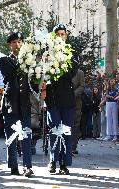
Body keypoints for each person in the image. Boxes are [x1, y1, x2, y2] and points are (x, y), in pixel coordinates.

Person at [0, 32, 34, 177]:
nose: (17, 45)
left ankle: (28, 166)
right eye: (14, 42)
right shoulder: (4, 60)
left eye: (20, 42)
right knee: (12, 137)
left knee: (26, 136)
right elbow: (11, 73)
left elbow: (33, 81)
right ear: (10, 45)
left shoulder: (29, 61)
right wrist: (24, 60)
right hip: (10, 104)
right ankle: (13, 166)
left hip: (24, 103)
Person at [46, 24, 77, 175]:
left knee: (66, 132)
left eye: (62, 34)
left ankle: (64, 163)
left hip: (67, 99)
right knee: (54, 131)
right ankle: (53, 161)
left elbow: (70, 73)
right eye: (57, 34)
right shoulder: (47, 53)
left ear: (66, 36)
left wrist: (57, 64)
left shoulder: (72, 53)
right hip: (52, 99)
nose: (60, 37)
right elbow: (44, 74)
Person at [71, 68, 85, 154]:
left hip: (75, 102)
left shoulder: (79, 72)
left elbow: (82, 86)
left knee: (75, 124)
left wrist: (73, 94)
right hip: (63, 101)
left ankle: (73, 146)